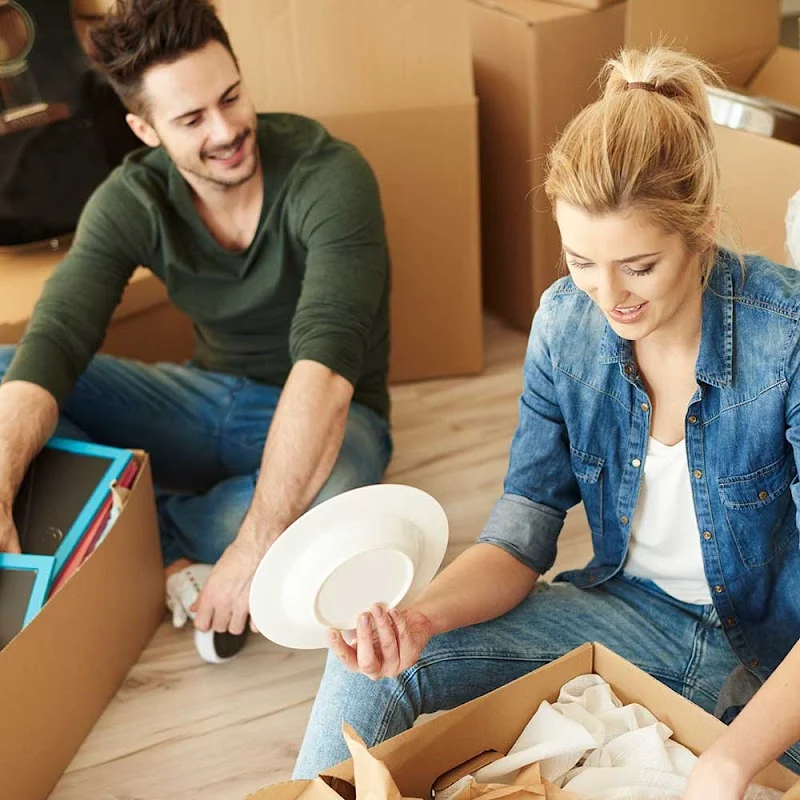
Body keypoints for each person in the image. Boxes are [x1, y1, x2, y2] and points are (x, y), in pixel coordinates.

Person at [292, 46, 800, 799]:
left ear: (703, 232)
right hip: (628, 618)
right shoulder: (566, 323)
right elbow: (521, 532)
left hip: (774, 663)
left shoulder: (785, 334)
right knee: (373, 661)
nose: (609, 296)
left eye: (639, 266)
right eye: (581, 262)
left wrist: (728, 764)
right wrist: (421, 620)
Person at [0, 0, 392, 663]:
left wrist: (251, 549)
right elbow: (57, 338)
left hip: (333, 411)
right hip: (205, 398)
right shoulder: (131, 199)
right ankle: (145, 537)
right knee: (9, 370)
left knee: (344, 486)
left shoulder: (330, 175)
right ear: (144, 129)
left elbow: (324, 371)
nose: (226, 128)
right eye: (191, 118)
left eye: (231, 96)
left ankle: (118, 532)